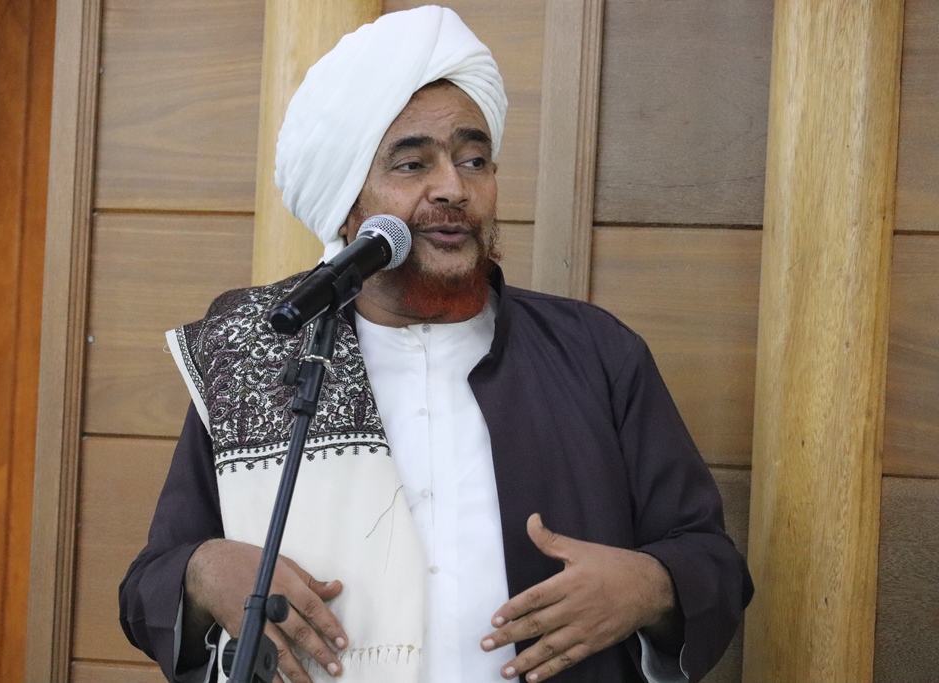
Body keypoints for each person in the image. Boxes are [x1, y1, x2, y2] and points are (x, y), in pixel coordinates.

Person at [119, 6, 753, 683]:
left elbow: (711, 562)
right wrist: (206, 570)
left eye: (474, 160)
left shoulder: (596, 354)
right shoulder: (258, 353)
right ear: (348, 206)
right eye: (412, 163)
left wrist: (647, 587)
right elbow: (149, 585)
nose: (454, 188)